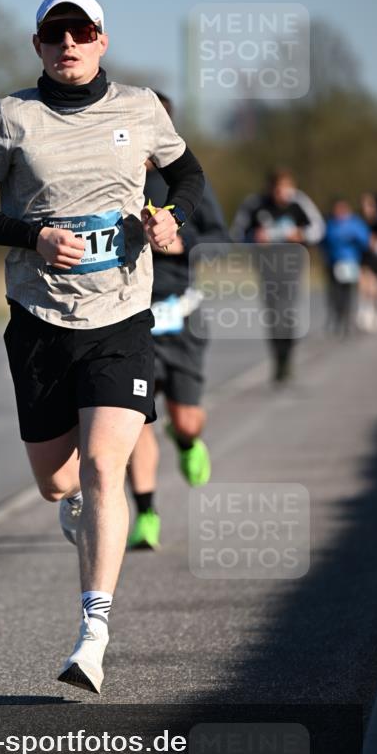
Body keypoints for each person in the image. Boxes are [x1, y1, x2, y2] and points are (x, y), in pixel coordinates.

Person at [0, 0, 204, 693]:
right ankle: (76, 509)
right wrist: (32, 234)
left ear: (101, 40)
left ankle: (92, 630)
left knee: (103, 468)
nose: (68, 43)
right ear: (37, 45)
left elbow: (185, 173)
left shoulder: (140, 107)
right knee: (57, 481)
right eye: (54, 33)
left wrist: (168, 216)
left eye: (81, 31)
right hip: (38, 320)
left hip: (121, 317)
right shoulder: (10, 118)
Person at [127, 92, 229, 550]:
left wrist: (181, 243)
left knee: (186, 420)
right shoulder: (117, 179)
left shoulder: (187, 182)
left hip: (181, 318)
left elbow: (222, 241)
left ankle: (187, 442)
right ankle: (146, 515)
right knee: (134, 425)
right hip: (131, 320)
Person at [230, 169, 325, 384]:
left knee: (288, 311)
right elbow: (236, 233)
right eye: (279, 189)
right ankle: (278, 360)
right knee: (273, 314)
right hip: (267, 266)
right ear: (271, 188)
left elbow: (319, 228)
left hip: (293, 264)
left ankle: (287, 357)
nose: (284, 193)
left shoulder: (299, 202)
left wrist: (301, 234)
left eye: (287, 188)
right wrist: (254, 237)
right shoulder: (255, 204)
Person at [322, 197, 371, 336]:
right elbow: (323, 241)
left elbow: (365, 240)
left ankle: (347, 319)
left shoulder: (355, 223)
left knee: (348, 292)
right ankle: (338, 316)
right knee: (335, 293)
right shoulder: (329, 224)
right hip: (333, 263)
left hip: (350, 262)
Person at [356, 192, 377, 332]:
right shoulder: (359, 222)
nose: (367, 209)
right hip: (363, 258)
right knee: (364, 285)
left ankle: (373, 311)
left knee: (375, 289)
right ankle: (364, 310)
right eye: (365, 205)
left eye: (370, 205)